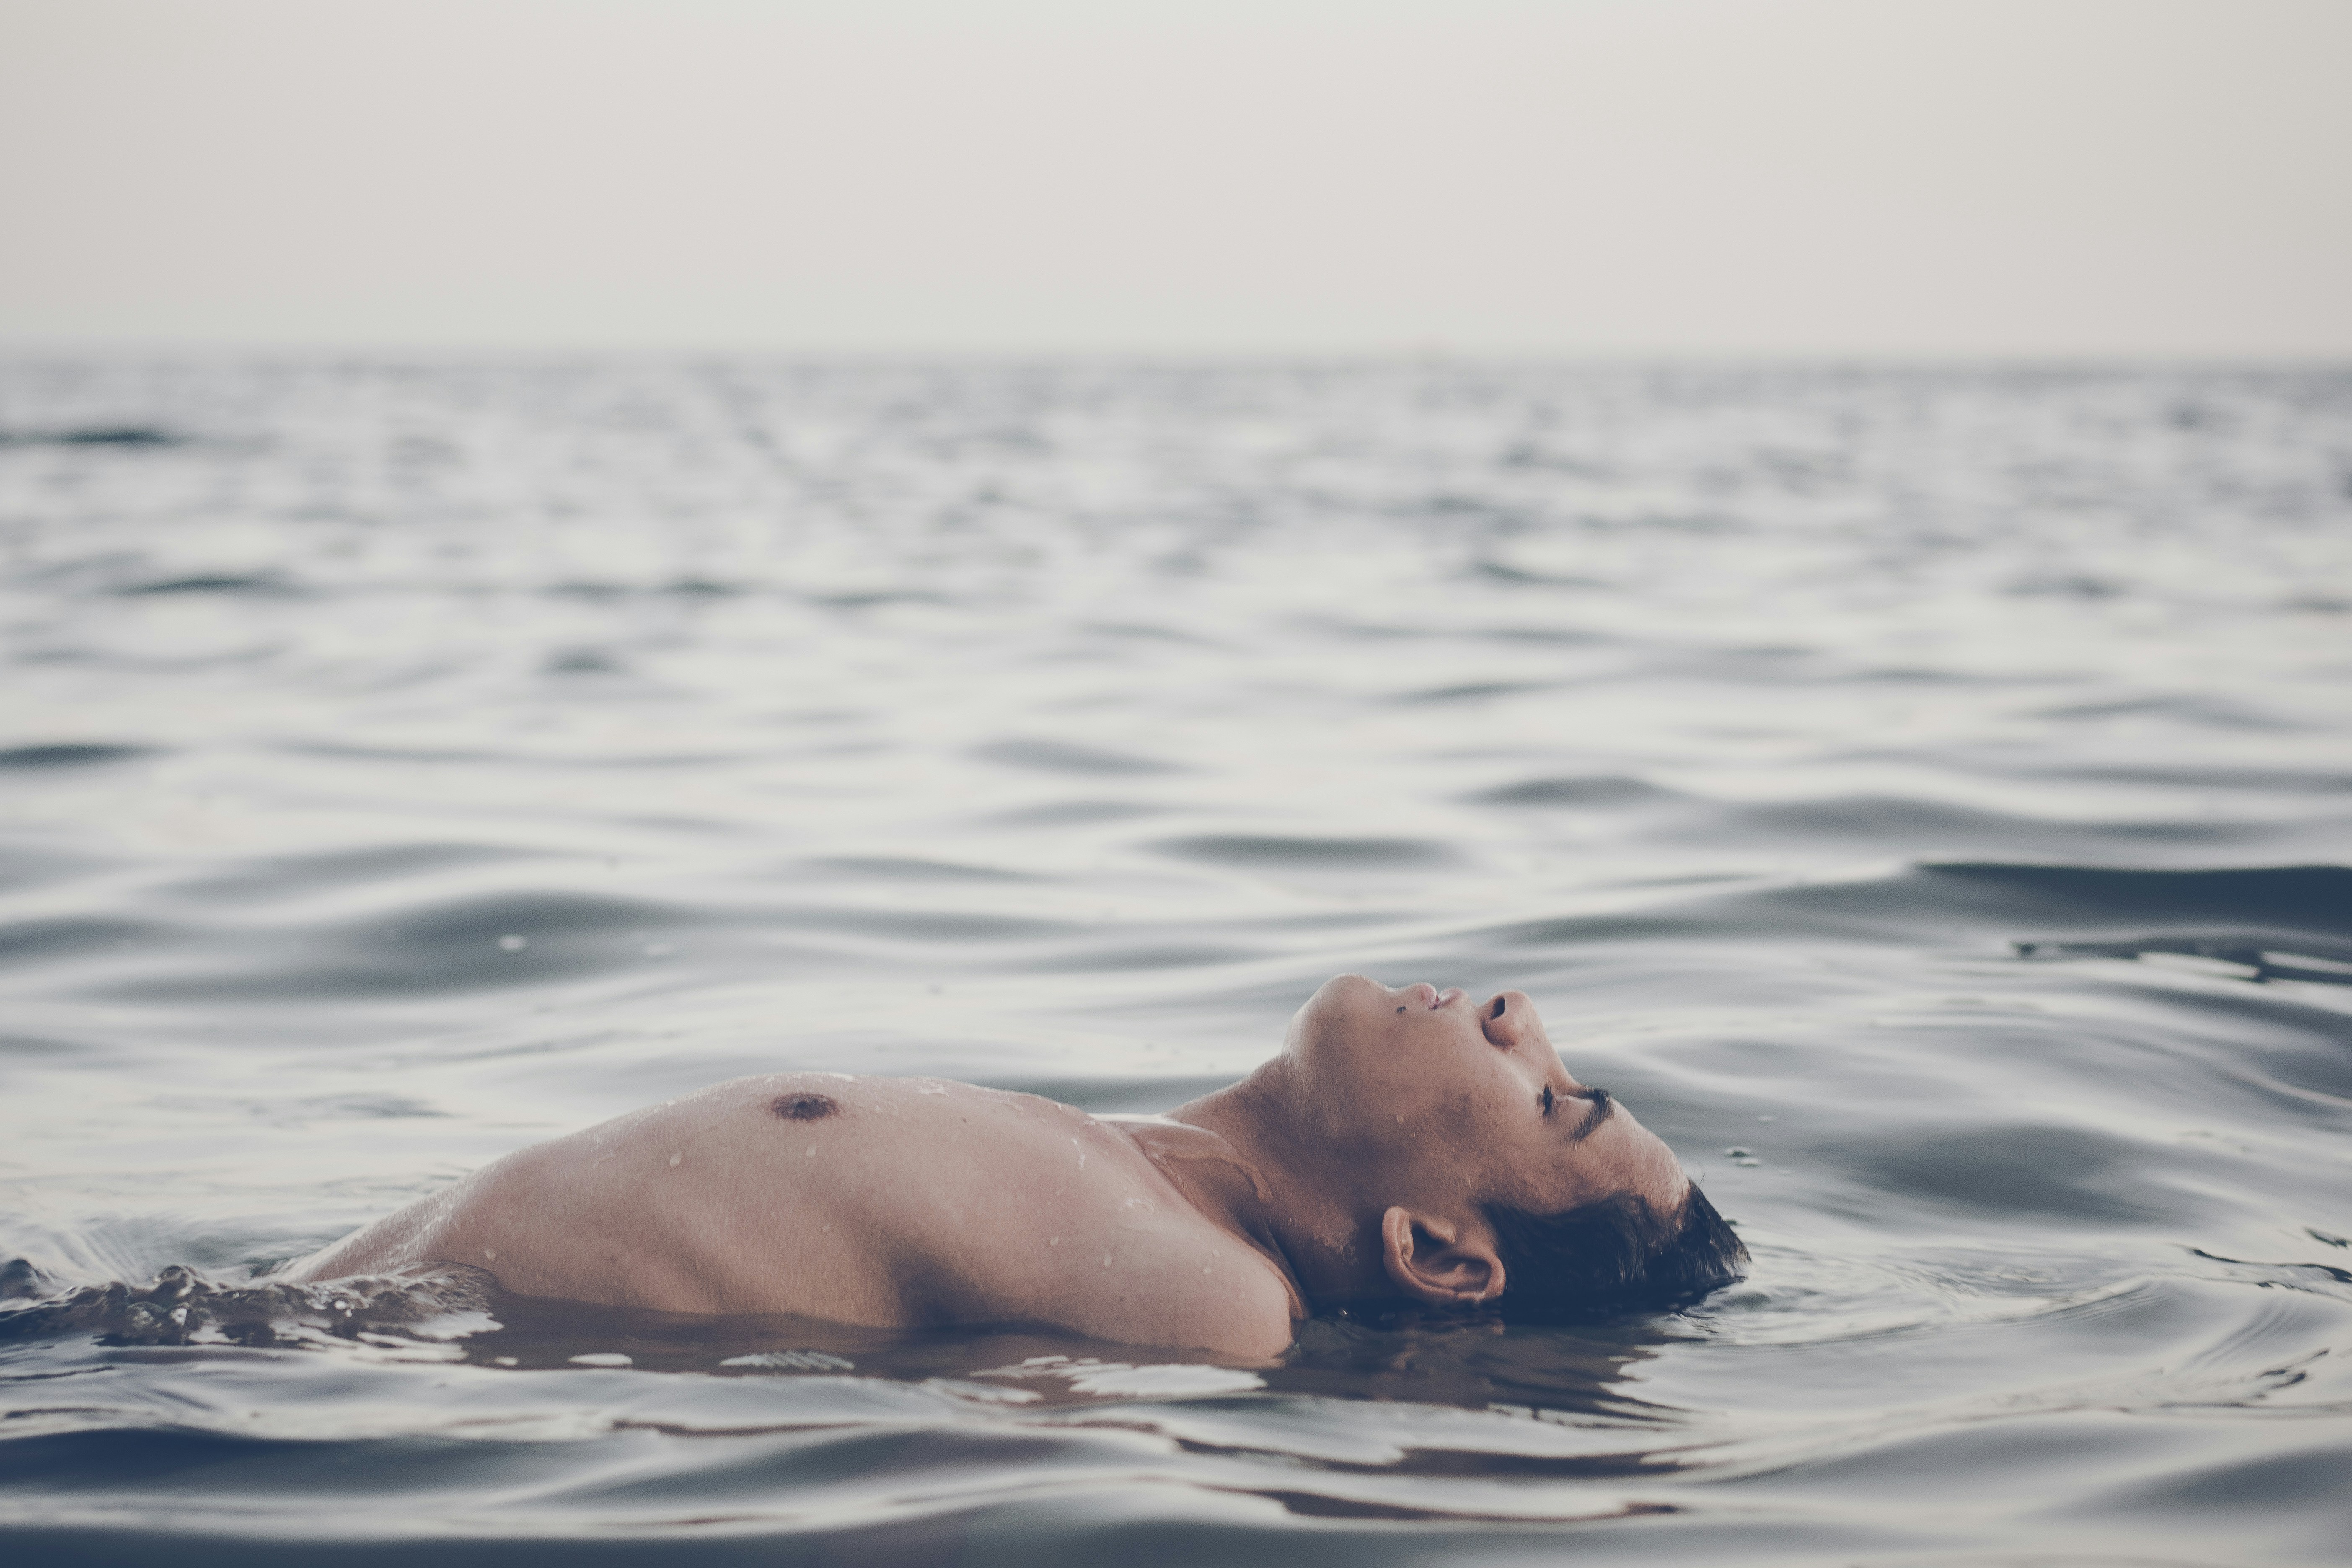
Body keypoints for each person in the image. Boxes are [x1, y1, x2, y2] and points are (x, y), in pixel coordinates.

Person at [284, 975, 1747, 1356]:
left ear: (1437, 1254)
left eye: (1548, 1100)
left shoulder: (1210, 1305)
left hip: (291, 1391)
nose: (1516, 1020)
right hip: (251, 1333)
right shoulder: (1132, 1177)